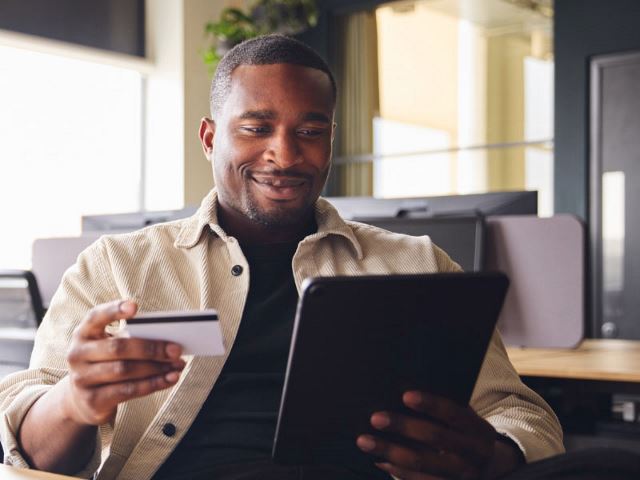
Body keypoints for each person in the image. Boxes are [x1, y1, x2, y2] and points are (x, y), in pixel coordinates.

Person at [0, 34, 563, 480]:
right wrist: (74, 402)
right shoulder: (118, 265)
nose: (286, 154)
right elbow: (27, 435)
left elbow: (523, 414)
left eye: (311, 130)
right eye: (256, 128)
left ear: (331, 140)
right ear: (209, 137)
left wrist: (490, 455)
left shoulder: (415, 263)